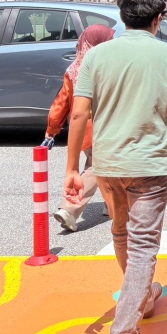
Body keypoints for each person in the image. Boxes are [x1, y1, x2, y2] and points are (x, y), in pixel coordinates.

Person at [64, 0, 167, 334]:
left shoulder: (98, 56)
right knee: (143, 247)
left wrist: (72, 168)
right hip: (149, 165)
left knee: (122, 234)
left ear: (123, 18)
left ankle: (141, 297)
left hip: (107, 164)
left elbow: (78, 115)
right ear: (158, 20)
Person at [45, 24, 115, 232]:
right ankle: (69, 209)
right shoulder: (106, 68)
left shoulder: (74, 68)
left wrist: (52, 129)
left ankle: (110, 207)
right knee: (97, 167)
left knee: (103, 165)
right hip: (103, 128)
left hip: (81, 131)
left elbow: (62, 102)